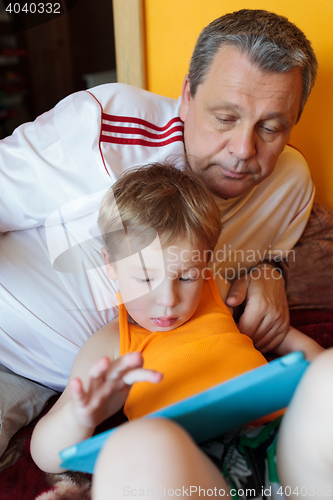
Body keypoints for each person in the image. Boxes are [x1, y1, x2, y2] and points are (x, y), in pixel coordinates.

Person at [0, 9, 318, 456]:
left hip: (82, 385)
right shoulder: (105, 126)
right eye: (225, 118)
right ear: (187, 96)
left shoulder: (291, 184)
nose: (243, 150)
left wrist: (269, 272)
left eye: (270, 127)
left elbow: (268, 257)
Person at [30, 164, 324, 500]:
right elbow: (45, 453)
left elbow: (282, 336)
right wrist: (80, 415)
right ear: (110, 264)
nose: (168, 300)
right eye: (145, 279)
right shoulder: (110, 345)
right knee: (135, 446)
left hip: (278, 446)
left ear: (206, 263)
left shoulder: (218, 292)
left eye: (186, 277)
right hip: (194, 471)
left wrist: (317, 368)